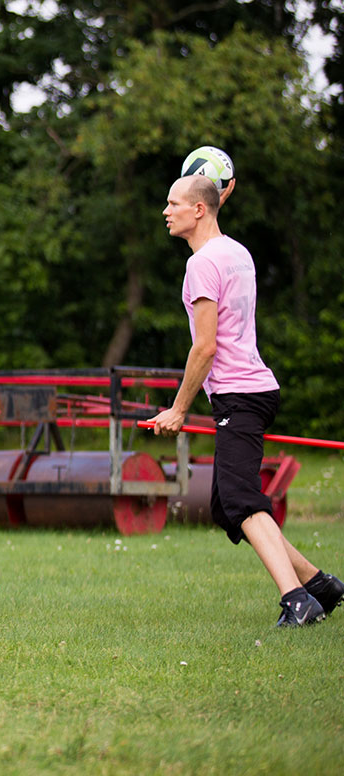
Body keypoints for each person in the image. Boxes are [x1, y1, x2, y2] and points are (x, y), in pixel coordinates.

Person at [151, 174, 342, 626]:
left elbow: (205, 346)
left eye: (173, 203)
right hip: (255, 388)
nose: (166, 210)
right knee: (226, 507)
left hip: (238, 394)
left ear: (198, 210)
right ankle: (320, 584)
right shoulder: (237, 252)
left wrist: (179, 409)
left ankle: (296, 600)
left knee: (241, 500)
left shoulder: (200, 264)